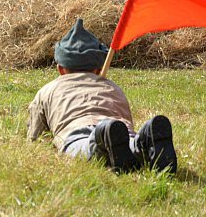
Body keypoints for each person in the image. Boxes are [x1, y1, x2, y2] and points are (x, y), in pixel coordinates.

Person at [27, 18, 177, 174]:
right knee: (131, 145)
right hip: (121, 129)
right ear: (99, 69)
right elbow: (127, 121)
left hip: (78, 133)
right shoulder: (113, 88)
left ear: (60, 69)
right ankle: (144, 140)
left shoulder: (48, 90)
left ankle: (102, 139)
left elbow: (35, 137)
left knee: (88, 150)